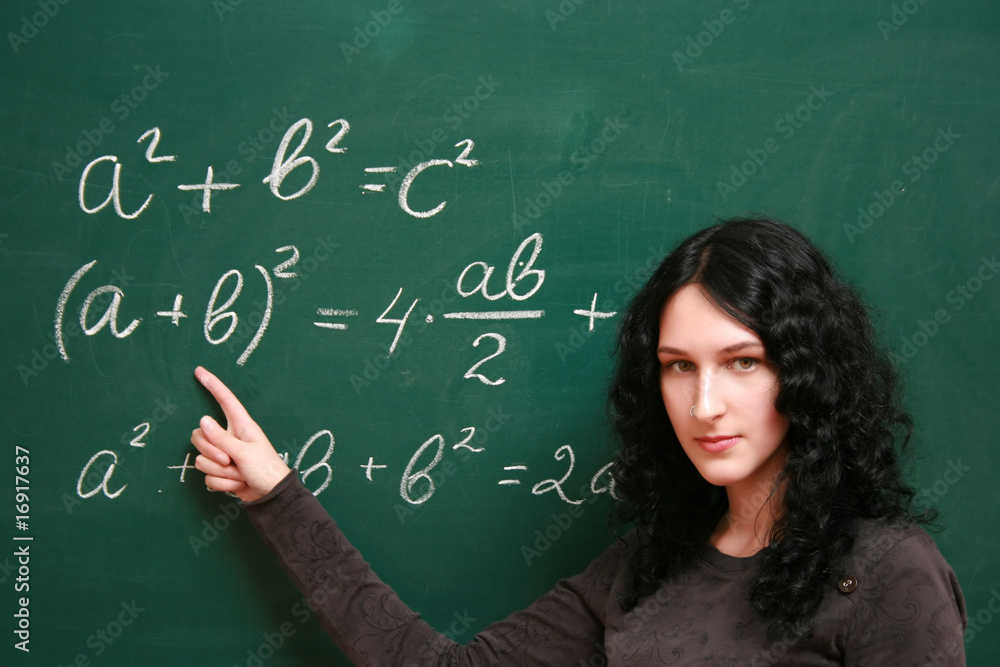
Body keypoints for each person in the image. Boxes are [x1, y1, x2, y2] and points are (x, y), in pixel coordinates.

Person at [191, 217, 967, 665]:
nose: (704, 402)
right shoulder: (645, 567)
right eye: (676, 367)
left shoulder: (885, 573)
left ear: (804, 370)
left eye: (743, 362)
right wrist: (278, 495)